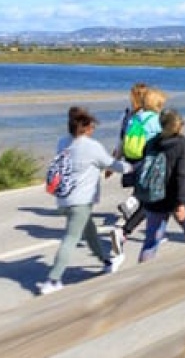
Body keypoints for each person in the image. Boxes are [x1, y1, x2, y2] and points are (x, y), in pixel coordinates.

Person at [38, 107, 128, 295]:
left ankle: (106, 262)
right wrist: (133, 167)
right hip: (81, 202)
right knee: (71, 238)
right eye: (92, 126)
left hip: (63, 199)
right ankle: (53, 280)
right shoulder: (92, 146)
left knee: (90, 232)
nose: (93, 129)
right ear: (85, 128)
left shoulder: (63, 142)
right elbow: (112, 164)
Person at [111, 87, 166, 260]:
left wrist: (114, 163)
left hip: (132, 162)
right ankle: (124, 230)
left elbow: (122, 141)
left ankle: (133, 218)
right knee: (151, 203)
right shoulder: (155, 120)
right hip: (149, 165)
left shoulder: (133, 118)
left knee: (147, 200)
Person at [137, 109, 185, 261]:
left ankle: (143, 273)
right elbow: (182, 175)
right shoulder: (183, 144)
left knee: (151, 242)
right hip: (176, 199)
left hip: (154, 199)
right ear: (179, 125)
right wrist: (181, 203)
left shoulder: (151, 143)